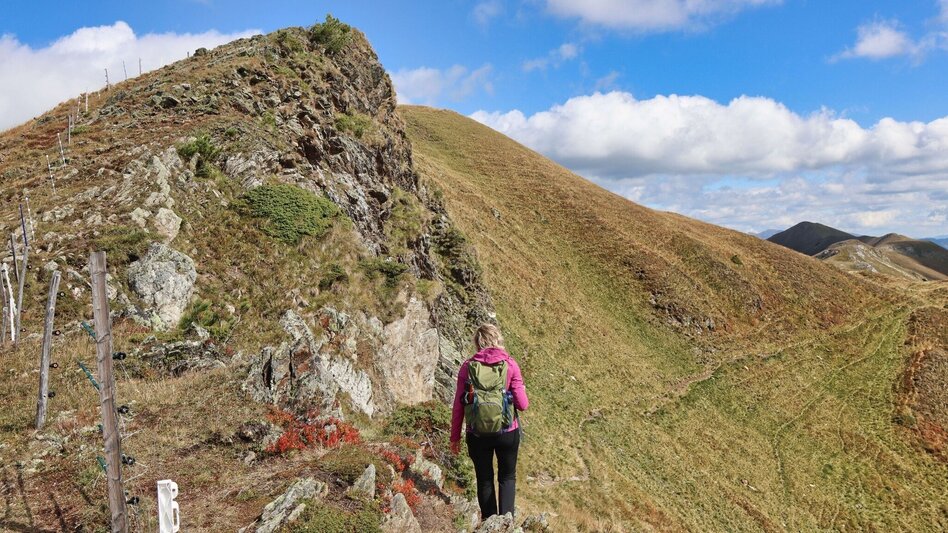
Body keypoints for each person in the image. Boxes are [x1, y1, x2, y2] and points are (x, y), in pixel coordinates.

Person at [450, 323, 529, 519]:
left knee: (484, 480)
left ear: (478, 342)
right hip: (507, 431)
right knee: (507, 477)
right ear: (498, 340)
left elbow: (459, 405)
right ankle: (506, 524)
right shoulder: (510, 365)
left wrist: (454, 438)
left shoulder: (468, 367)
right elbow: (523, 404)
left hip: (477, 433)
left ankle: (489, 525)